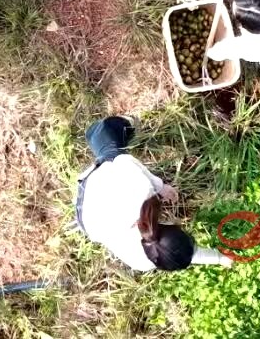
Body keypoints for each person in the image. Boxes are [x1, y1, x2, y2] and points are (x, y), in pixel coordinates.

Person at [76, 116, 233, 272]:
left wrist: (159, 186)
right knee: (117, 160)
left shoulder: (141, 194)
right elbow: (180, 254)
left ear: (173, 227)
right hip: (87, 222)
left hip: (93, 191)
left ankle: (97, 131)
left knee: (111, 153)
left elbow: (123, 160)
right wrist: (219, 258)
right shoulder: (145, 262)